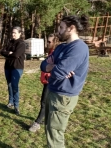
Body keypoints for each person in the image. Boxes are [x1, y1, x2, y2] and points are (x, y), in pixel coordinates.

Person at [40, 15, 89, 147]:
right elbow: (43, 65)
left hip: (64, 97)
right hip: (53, 91)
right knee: (50, 129)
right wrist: (53, 67)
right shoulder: (61, 47)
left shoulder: (78, 48)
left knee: (55, 134)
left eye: (61, 27)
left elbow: (59, 72)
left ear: (71, 28)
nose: (58, 30)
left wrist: (54, 68)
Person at [29, 34, 60, 132]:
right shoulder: (51, 52)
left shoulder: (57, 53)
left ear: (55, 42)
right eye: (47, 41)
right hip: (47, 81)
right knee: (47, 102)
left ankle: (37, 123)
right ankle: (45, 119)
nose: (47, 44)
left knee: (44, 102)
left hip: (51, 82)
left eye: (49, 42)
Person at [0, 26, 26, 115]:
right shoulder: (10, 42)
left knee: (15, 86)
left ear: (19, 33)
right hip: (8, 67)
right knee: (9, 85)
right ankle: (10, 102)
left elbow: (16, 55)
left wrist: (9, 53)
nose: (13, 34)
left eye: (15, 33)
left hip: (17, 67)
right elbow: (1, 51)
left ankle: (16, 105)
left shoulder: (21, 43)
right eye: (12, 32)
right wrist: (8, 53)